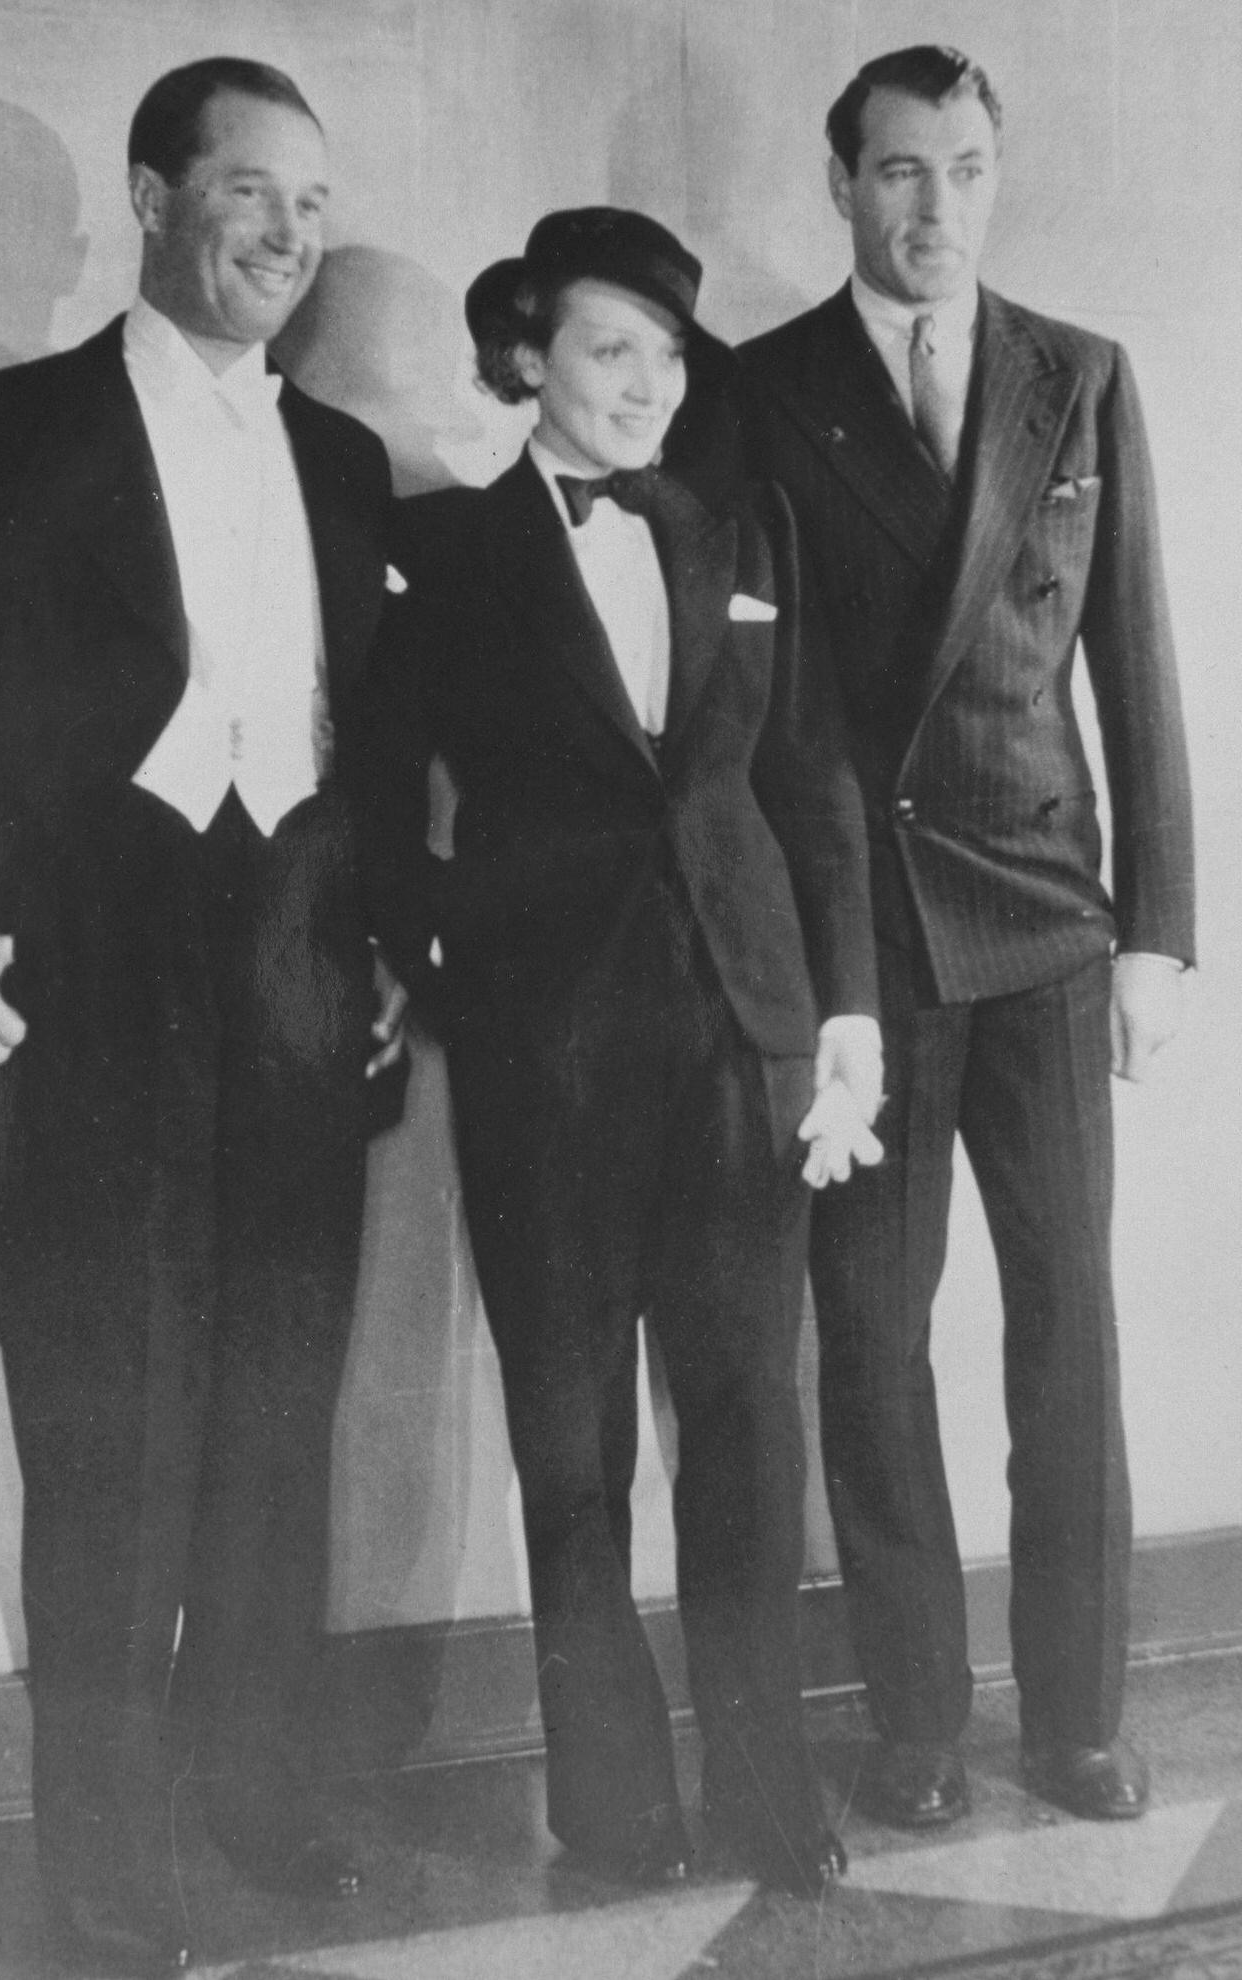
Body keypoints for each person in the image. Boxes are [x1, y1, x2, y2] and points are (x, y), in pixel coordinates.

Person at [0, 57, 406, 1975]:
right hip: (77, 1008)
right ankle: (103, 1864)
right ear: (153, 200)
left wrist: (386, 951)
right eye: (252, 193)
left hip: (293, 1002)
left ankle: (251, 1804)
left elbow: (371, 742)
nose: (287, 235)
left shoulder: (337, 458)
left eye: (314, 209)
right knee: (109, 1451)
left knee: (270, 1433)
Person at [353, 207, 883, 1894]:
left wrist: (843, 1018)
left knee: (746, 1427)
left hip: (745, 1044)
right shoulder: (442, 553)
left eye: (666, 352)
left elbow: (810, 788)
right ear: (525, 358)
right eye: (607, 348)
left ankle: (766, 1795)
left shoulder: (743, 527)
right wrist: (451, 960)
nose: (647, 382)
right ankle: (614, 1807)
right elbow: (375, 798)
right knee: (568, 1448)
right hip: (546, 1062)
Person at [730, 46, 1195, 1830]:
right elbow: (748, 697)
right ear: (840, 181)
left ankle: (1080, 1711)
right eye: (904, 172)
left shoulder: (1076, 375)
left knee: (1069, 1320)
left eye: (970, 171)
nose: (938, 210)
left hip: (1051, 922)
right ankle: (918, 1716)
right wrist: (787, 959)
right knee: (871, 1330)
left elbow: (1134, 666)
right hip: (862, 935)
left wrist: (1157, 934)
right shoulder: (759, 392)